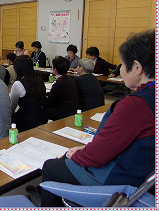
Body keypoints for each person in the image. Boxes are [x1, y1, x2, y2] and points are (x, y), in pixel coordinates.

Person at [41, 30, 155, 207]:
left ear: (137, 68)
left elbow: (96, 157)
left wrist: (78, 153)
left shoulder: (135, 104)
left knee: (51, 166)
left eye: (123, 65)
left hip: (121, 180)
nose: (121, 71)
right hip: (143, 174)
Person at [10, 55, 47, 132]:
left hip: (27, 121)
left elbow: (11, 107)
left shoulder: (18, 84)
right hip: (43, 117)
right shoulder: (40, 80)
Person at [46, 56, 79, 121]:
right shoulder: (70, 80)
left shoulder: (58, 84)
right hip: (72, 110)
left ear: (55, 70)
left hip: (63, 113)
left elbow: (49, 103)